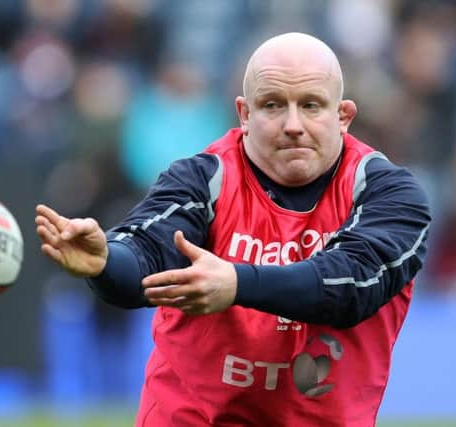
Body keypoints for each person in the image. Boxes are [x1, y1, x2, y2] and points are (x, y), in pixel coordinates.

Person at [35, 32, 431, 427]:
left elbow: (353, 284)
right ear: (244, 114)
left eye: (311, 105)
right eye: (273, 105)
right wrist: (105, 261)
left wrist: (236, 284)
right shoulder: (202, 178)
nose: (293, 124)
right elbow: (147, 255)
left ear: (343, 115)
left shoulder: (389, 194)